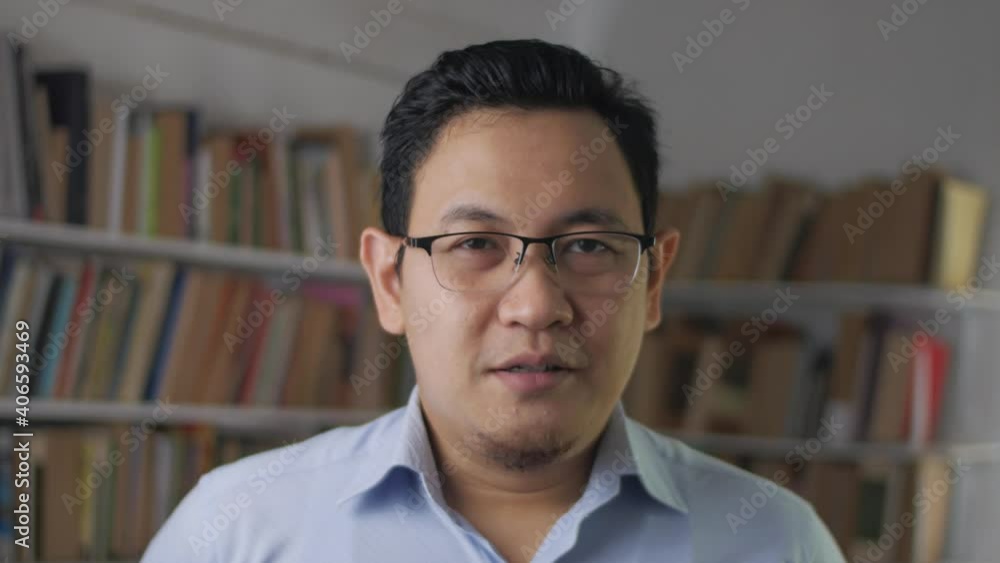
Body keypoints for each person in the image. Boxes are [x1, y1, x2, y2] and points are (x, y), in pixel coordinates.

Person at [142, 39, 845, 563]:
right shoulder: (236, 530)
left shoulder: (777, 541)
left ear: (653, 280)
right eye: (475, 243)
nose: (536, 305)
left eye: (591, 246)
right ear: (390, 281)